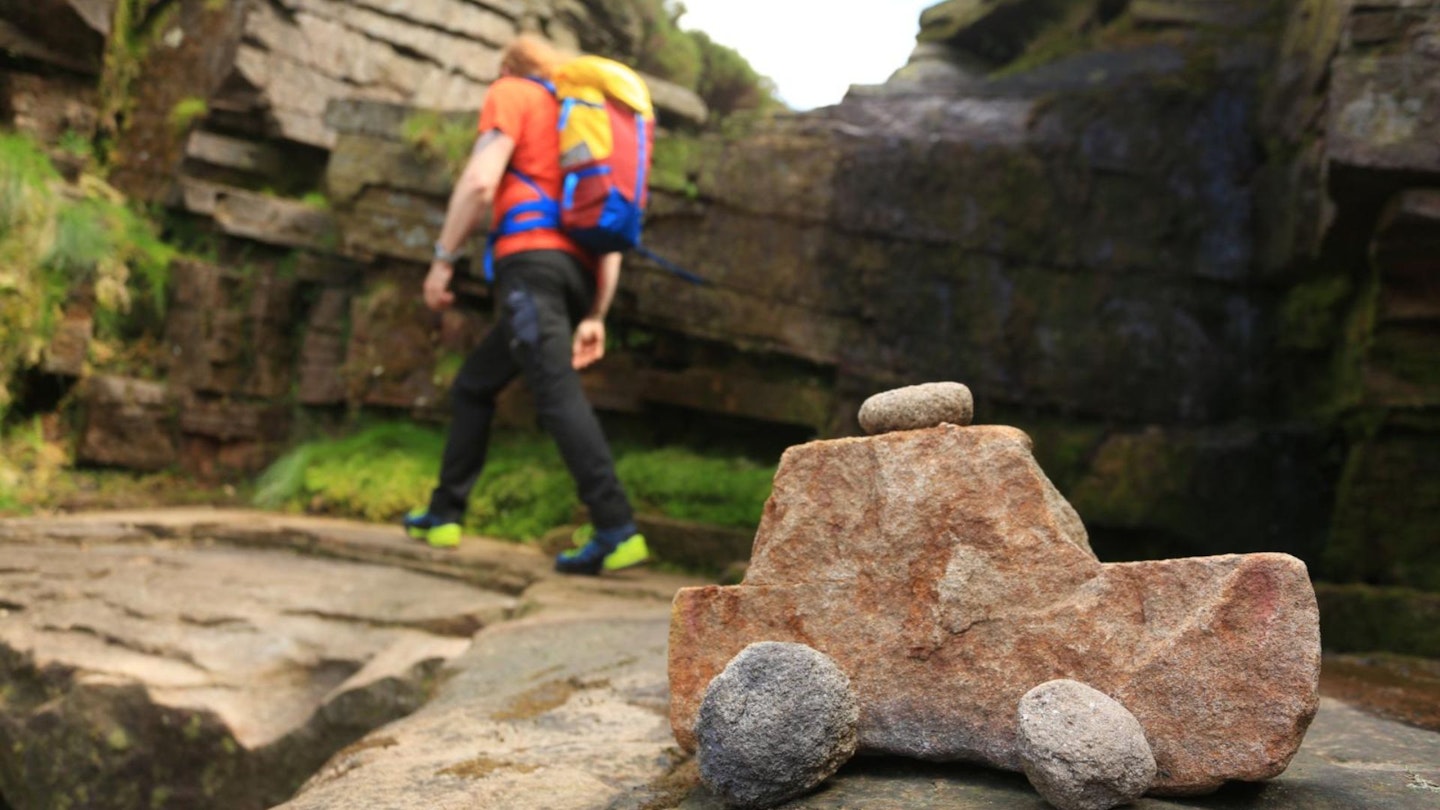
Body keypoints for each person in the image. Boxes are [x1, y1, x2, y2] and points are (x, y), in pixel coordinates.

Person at [403, 34, 648, 576]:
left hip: (530, 269)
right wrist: (595, 315)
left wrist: (443, 259)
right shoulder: (582, 117)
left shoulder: (513, 93)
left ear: (509, 66)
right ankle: (444, 511)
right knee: (474, 384)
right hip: (577, 275)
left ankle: (616, 528)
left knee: (556, 392)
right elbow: (611, 231)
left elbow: (480, 181)